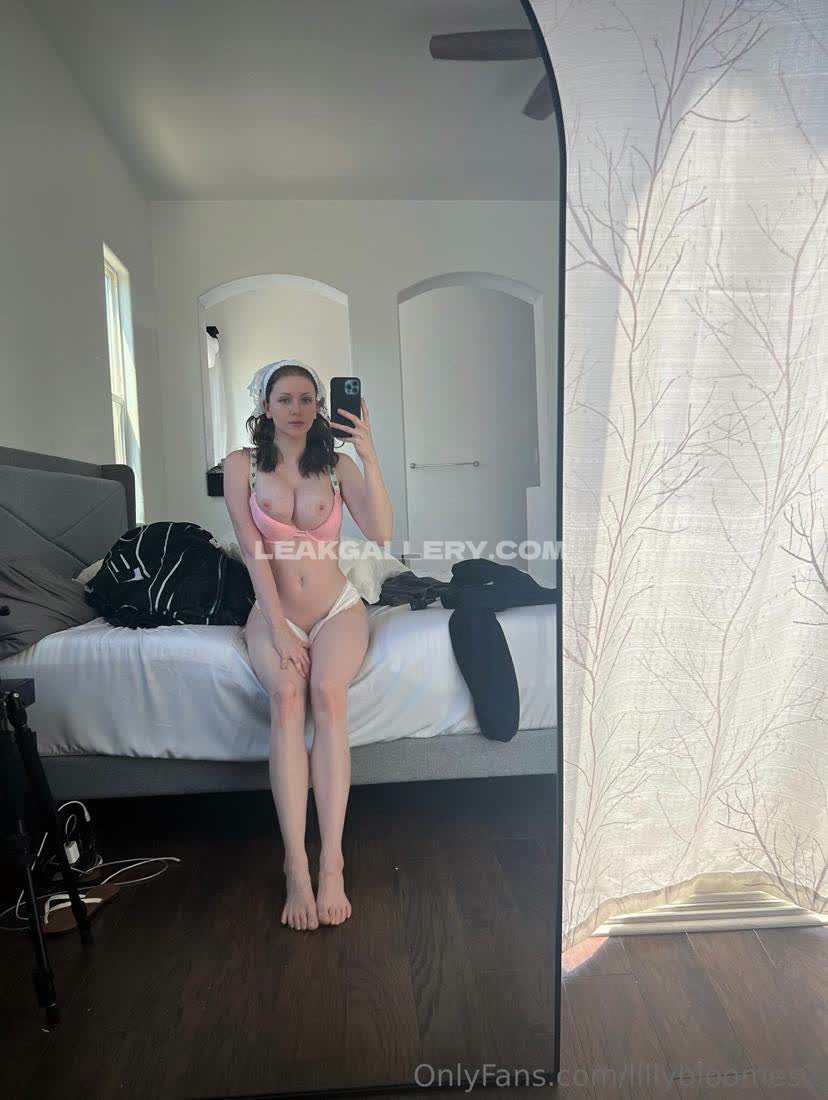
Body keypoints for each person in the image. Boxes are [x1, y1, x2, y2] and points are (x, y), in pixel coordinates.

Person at [223, 360, 392, 931]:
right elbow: (252, 551)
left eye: (307, 399)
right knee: (287, 697)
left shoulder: (337, 465)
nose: (296, 409)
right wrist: (277, 629)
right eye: (285, 398)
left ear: (320, 406)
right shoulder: (242, 466)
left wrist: (369, 455)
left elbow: (381, 533)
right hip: (277, 615)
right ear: (265, 405)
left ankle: (332, 863)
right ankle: (296, 865)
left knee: (327, 693)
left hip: (336, 610)